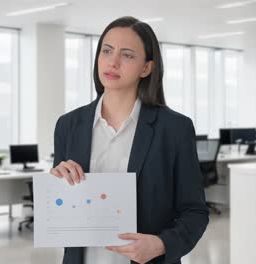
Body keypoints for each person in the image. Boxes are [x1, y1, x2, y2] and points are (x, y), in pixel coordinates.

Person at [50, 16, 209, 264]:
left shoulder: (174, 128)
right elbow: (63, 208)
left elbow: (195, 212)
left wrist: (161, 245)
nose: (113, 62)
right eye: (107, 51)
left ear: (146, 68)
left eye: (127, 55)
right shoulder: (68, 125)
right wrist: (58, 183)